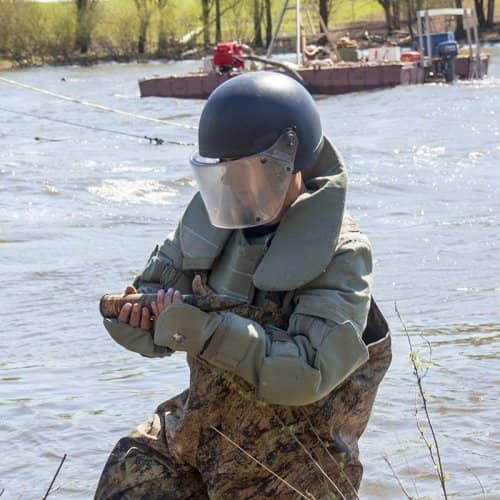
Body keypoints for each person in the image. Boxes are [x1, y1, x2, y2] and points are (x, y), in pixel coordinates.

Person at [95, 71, 391, 500]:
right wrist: (139, 320)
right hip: (201, 428)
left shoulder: (343, 252)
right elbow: (156, 295)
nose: (237, 189)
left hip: (297, 457)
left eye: (251, 173)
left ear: (292, 163)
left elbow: (310, 373)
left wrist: (209, 333)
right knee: (131, 471)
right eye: (226, 176)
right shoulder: (212, 226)